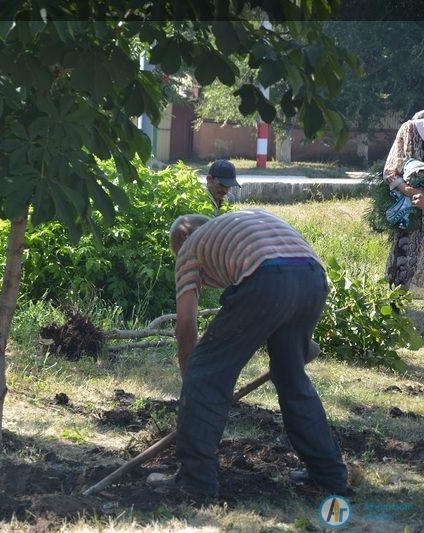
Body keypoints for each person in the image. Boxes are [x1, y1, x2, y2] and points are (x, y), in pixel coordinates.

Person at [148, 209, 349, 501]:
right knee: (291, 378)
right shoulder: (246, 225)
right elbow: (289, 281)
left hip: (267, 277)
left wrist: (193, 381)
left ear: (182, 239)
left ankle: (196, 481)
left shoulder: (189, 246)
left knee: (205, 372)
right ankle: (329, 475)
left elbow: (186, 327)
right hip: (312, 277)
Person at [383, 110, 424, 290]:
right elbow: (391, 172)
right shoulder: (411, 129)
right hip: (412, 210)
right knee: (405, 260)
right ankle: (395, 304)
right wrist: (412, 191)